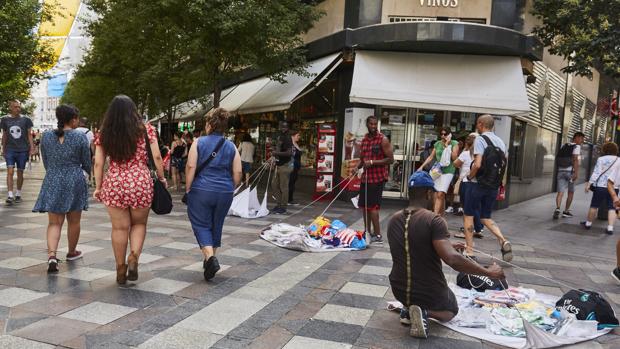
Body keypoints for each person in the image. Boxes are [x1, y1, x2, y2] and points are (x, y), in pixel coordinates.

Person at [388, 171, 505, 338]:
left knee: (414, 285)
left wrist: (446, 244)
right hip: (428, 291)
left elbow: (413, 243)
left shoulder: (393, 219)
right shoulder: (434, 220)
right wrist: (488, 273)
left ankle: (408, 309)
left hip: (399, 289)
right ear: (429, 193)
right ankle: (424, 312)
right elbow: (452, 259)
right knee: (451, 309)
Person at [93, 95, 166, 285]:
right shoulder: (146, 130)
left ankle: (120, 268)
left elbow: (98, 162)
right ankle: (133, 257)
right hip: (140, 181)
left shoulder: (104, 133)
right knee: (139, 224)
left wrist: (98, 187)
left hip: (115, 181)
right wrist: (161, 178)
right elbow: (157, 157)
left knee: (119, 228)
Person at [185, 108, 242, 281]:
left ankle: (210, 258)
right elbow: (238, 172)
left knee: (201, 224)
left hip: (201, 190)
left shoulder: (198, 142)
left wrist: (188, 188)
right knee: (217, 224)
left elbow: (191, 167)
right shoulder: (231, 145)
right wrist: (230, 187)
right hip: (225, 191)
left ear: (209, 124)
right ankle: (209, 260)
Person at [33, 105, 91, 273]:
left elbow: (45, 160)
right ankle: (72, 252)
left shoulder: (46, 137)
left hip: (53, 178)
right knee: (74, 221)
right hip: (74, 179)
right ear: (73, 119)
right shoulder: (80, 137)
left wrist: (53, 172)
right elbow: (86, 162)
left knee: (54, 222)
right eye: (77, 118)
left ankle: (52, 256)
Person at [463, 115, 512, 261]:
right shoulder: (500, 141)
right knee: (485, 217)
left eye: (477, 123)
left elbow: (477, 164)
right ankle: (503, 240)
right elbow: (504, 164)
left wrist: (470, 177)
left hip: (477, 184)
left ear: (481, 124)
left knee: (468, 215)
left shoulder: (480, 139)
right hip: (492, 185)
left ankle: (470, 250)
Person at [358, 115, 394, 243]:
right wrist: (357, 168)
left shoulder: (383, 139)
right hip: (365, 179)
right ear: (367, 125)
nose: (373, 126)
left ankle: (378, 235)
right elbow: (362, 159)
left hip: (377, 178)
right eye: (371, 124)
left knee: (373, 208)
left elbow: (391, 159)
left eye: (375, 124)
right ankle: (367, 232)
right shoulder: (365, 140)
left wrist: (373, 162)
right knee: (364, 207)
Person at [417, 127, 460, 215]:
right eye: (441, 134)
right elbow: (431, 157)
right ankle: (441, 214)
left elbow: (454, 158)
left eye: (445, 134)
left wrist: (447, 146)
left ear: (449, 135)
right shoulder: (437, 144)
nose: (443, 136)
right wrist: (421, 166)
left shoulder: (454, 143)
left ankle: (434, 215)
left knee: (441, 193)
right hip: (437, 170)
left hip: (448, 171)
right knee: (436, 194)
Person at [1, 100, 35, 205]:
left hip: (23, 150)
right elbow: (5, 135)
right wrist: (3, 147)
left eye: (19, 107)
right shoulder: (4, 120)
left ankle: (18, 194)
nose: (18, 109)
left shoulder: (26, 120)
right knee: (10, 171)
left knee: (20, 172)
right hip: (10, 149)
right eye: (15, 107)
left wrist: (32, 148)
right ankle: (10, 195)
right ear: (10, 108)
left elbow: (29, 135)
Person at [581, 142, 619, 234]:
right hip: (614, 187)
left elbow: (596, 173)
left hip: (601, 186)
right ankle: (610, 228)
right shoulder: (619, 160)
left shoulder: (601, 159)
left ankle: (588, 224)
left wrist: (589, 184)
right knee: (612, 207)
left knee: (594, 205)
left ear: (605, 149)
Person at [453, 133, 484, 239]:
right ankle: (478, 228)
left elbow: (455, 164)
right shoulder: (481, 154)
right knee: (476, 207)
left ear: (467, 142)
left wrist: (465, 148)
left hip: (467, 182)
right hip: (479, 184)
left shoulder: (466, 153)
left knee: (467, 209)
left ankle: (468, 231)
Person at [554, 132, 586, 219]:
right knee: (570, 192)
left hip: (560, 171)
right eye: (582, 139)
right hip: (570, 173)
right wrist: (576, 173)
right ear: (577, 137)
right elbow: (575, 160)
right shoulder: (577, 146)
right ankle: (566, 211)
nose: (582, 141)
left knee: (560, 192)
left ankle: (557, 208)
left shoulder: (565, 145)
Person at [270, 121, 293, 214]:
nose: (283, 128)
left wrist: (276, 153)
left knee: (284, 187)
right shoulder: (280, 136)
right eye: (281, 126)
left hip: (285, 165)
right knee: (274, 185)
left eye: (285, 127)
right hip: (278, 164)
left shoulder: (287, 137)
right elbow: (279, 148)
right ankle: (279, 204)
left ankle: (283, 207)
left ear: (287, 128)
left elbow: (289, 153)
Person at [75, 117, 95, 182]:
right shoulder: (90, 132)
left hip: (76, 151)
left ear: (79, 122)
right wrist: (94, 154)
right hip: (87, 152)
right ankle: (88, 180)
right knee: (88, 166)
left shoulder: (75, 131)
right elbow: (92, 144)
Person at [288, 130, 303, 206]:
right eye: (298, 135)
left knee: (292, 183)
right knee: (290, 183)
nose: (299, 137)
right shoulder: (290, 145)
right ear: (292, 136)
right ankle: (289, 199)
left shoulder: (296, 144)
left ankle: (290, 198)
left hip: (296, 167)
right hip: (291, 167)